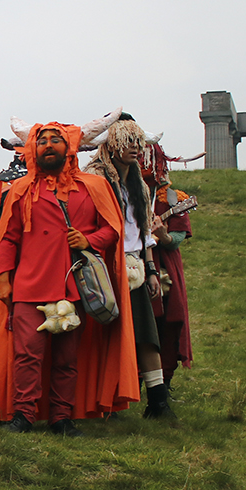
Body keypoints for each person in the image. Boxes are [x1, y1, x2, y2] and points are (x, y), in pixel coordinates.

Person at [0, 116, 139, 435]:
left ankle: (61, 417)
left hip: (73, 288)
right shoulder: (20, 188)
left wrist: (89, 240)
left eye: (55, 140)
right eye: (41, 141)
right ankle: (24, 415)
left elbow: (112, 229)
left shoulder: (93, 187)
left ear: (69, 148)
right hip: (29, 287)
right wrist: (3, 279)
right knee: (27, 354)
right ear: (33, 149)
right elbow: (7, 238)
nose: (47, 146)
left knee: (66, 357)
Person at [85, 113, 172, 418]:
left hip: (134, 267)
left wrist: (150, 270)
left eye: (139, 141)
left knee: (147, 333)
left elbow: (144, 231)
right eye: (129, 141)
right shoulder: (93, 178)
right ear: (112, 143)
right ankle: (103, 401)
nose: (136, 148)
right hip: (104, 266)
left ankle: (158, 402)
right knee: (103, 334)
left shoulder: (139, 183)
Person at [142, 144, 194, 385]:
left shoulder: (173, 198)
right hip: (130, 262)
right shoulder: (123, 191)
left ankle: (164, 381)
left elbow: (176, 240)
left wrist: (163, 236)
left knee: (167, 321)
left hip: (164, 268)